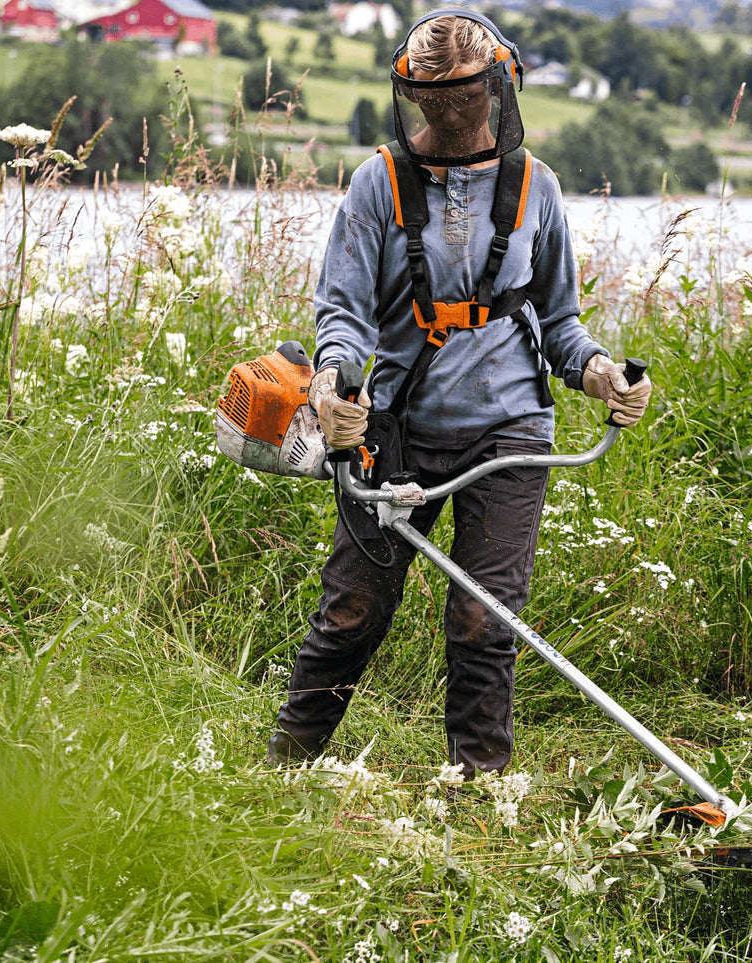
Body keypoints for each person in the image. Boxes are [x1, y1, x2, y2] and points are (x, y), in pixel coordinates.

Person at [267, 9, 652, 777]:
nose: (446, 120)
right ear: (410, 96)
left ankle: (478, 799)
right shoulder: (377, 183)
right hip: (396, 425)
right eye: (431, 105)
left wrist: (601, 372)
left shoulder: (534, 187)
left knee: (483, 619)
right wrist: (334, 383)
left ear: (498, 87)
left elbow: (562, 324)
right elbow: (341, 313)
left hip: (508, 429)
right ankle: (277, 772)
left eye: (462, 103)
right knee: (350, 614)